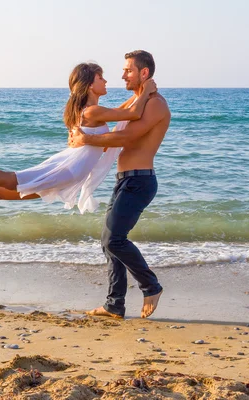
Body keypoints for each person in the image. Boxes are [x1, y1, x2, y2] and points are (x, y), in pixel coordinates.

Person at [0, 63, 157, 214]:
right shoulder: (92, 111)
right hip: (68, 170)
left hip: (70, 168)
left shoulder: (91, 110)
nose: (106, 80)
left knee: (3, 194)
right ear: (90, 85)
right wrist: (146, 90)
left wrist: (139, 95)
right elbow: (133, 112)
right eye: (101, 77)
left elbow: (126, 108)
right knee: (10, 180)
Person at [69, 50, 171, 319]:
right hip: (125, 180)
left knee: (114, 238)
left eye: (128, 70)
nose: (123, 74)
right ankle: (115, 304)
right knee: (108, 241)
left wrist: (87, 140)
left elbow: (127, 135)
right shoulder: (140, 99)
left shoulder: (156, 104)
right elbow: (121, 116)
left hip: (140, 180)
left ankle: (151, 286)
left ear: (144, 73)